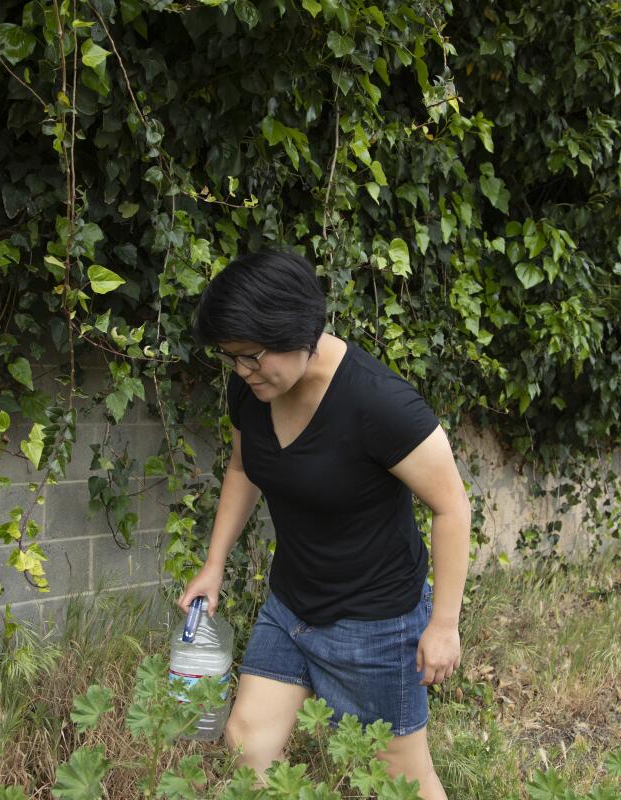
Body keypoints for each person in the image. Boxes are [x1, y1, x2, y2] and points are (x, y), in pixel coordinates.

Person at [178, 250, 471, 800]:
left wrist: (444, 624)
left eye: (250, 356)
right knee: (246, 740)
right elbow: (243, 468)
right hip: (291, 605)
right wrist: (213, 565)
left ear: (292, 329)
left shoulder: (377, 402)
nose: (240, 371)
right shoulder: (252, 387)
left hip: (375, 622)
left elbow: (452, 505)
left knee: (398, 779)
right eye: (230, 358)